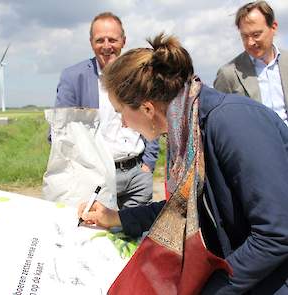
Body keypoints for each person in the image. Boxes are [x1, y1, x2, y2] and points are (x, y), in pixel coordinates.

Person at [78, 33, 288, 294]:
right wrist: (116, 217)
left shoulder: (232, 123)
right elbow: (184, 208)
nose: (123, 123)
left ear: (147, 108)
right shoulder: (186, 133)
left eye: (121, 112)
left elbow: (277, 233)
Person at [55, 12, 159, 209]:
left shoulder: (140, 73)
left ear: (123, 41)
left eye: (112, 39)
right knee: (97, 234)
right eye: (99, 40)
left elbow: (153, 116)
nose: (106, 46)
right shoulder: (73, 77)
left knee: (138, 236)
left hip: (137, 173)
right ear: (91, 42)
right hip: (96, 176)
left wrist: (148, 164)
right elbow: (60, 131)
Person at [214, 0, 288, 126]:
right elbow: (218, 122)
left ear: (273, 27)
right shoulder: (228, 74)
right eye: (244, 36)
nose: (250, 43)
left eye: (256, 35)